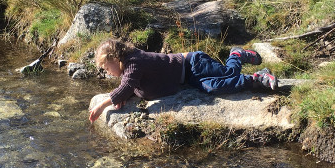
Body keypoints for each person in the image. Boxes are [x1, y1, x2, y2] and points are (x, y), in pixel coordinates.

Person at [88, 38, 278, 123]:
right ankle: (255, 78)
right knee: (211, 87)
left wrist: (102, 105)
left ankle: (238, 55)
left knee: (229, 73)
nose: (107, 73)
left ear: (115, 58)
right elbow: (129, 86)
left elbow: (128, 84)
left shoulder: (134, 61)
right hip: (188, 78)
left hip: (193, 64)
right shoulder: (128, 68)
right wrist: (124, 97)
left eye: (106, 68)